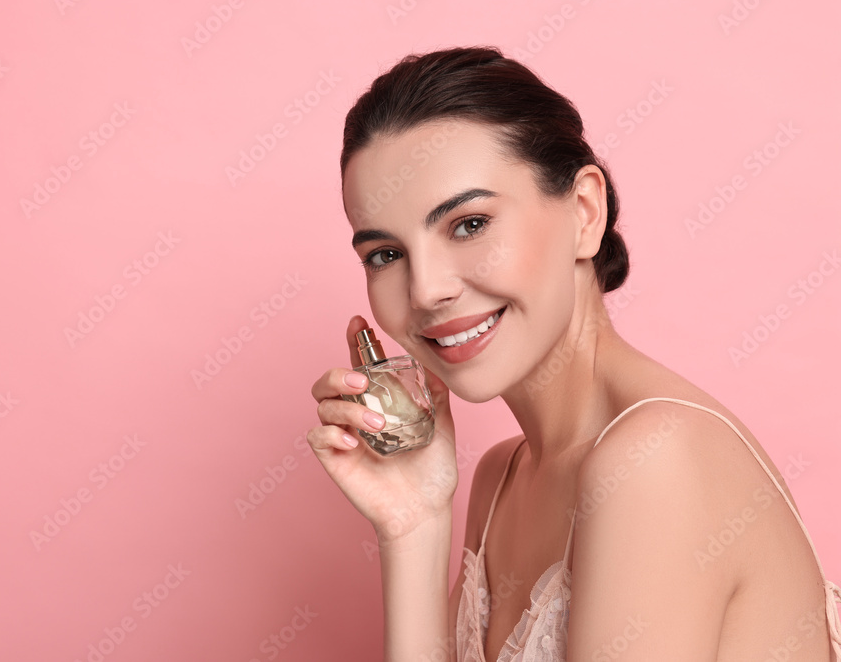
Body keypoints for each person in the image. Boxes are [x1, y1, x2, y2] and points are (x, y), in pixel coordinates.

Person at [306, 46, 841, 661]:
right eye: (385, 254)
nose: (426, 290)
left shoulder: (654, 460)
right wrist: (412, 527)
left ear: (585, 212)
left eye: (469, 224)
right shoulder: (501, 479)